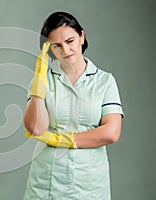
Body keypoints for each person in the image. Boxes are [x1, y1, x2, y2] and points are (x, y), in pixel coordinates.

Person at [23, 11, 124, 199]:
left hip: (89, 182)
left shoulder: (104, 81)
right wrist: (39, 83)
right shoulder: (44, 79)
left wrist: (64, 140)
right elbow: (37, 128)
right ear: (49, 49)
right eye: (57, 46)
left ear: (82, 36)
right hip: (47, 179)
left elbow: (111, 132)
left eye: (70, 41)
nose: (65, 50)